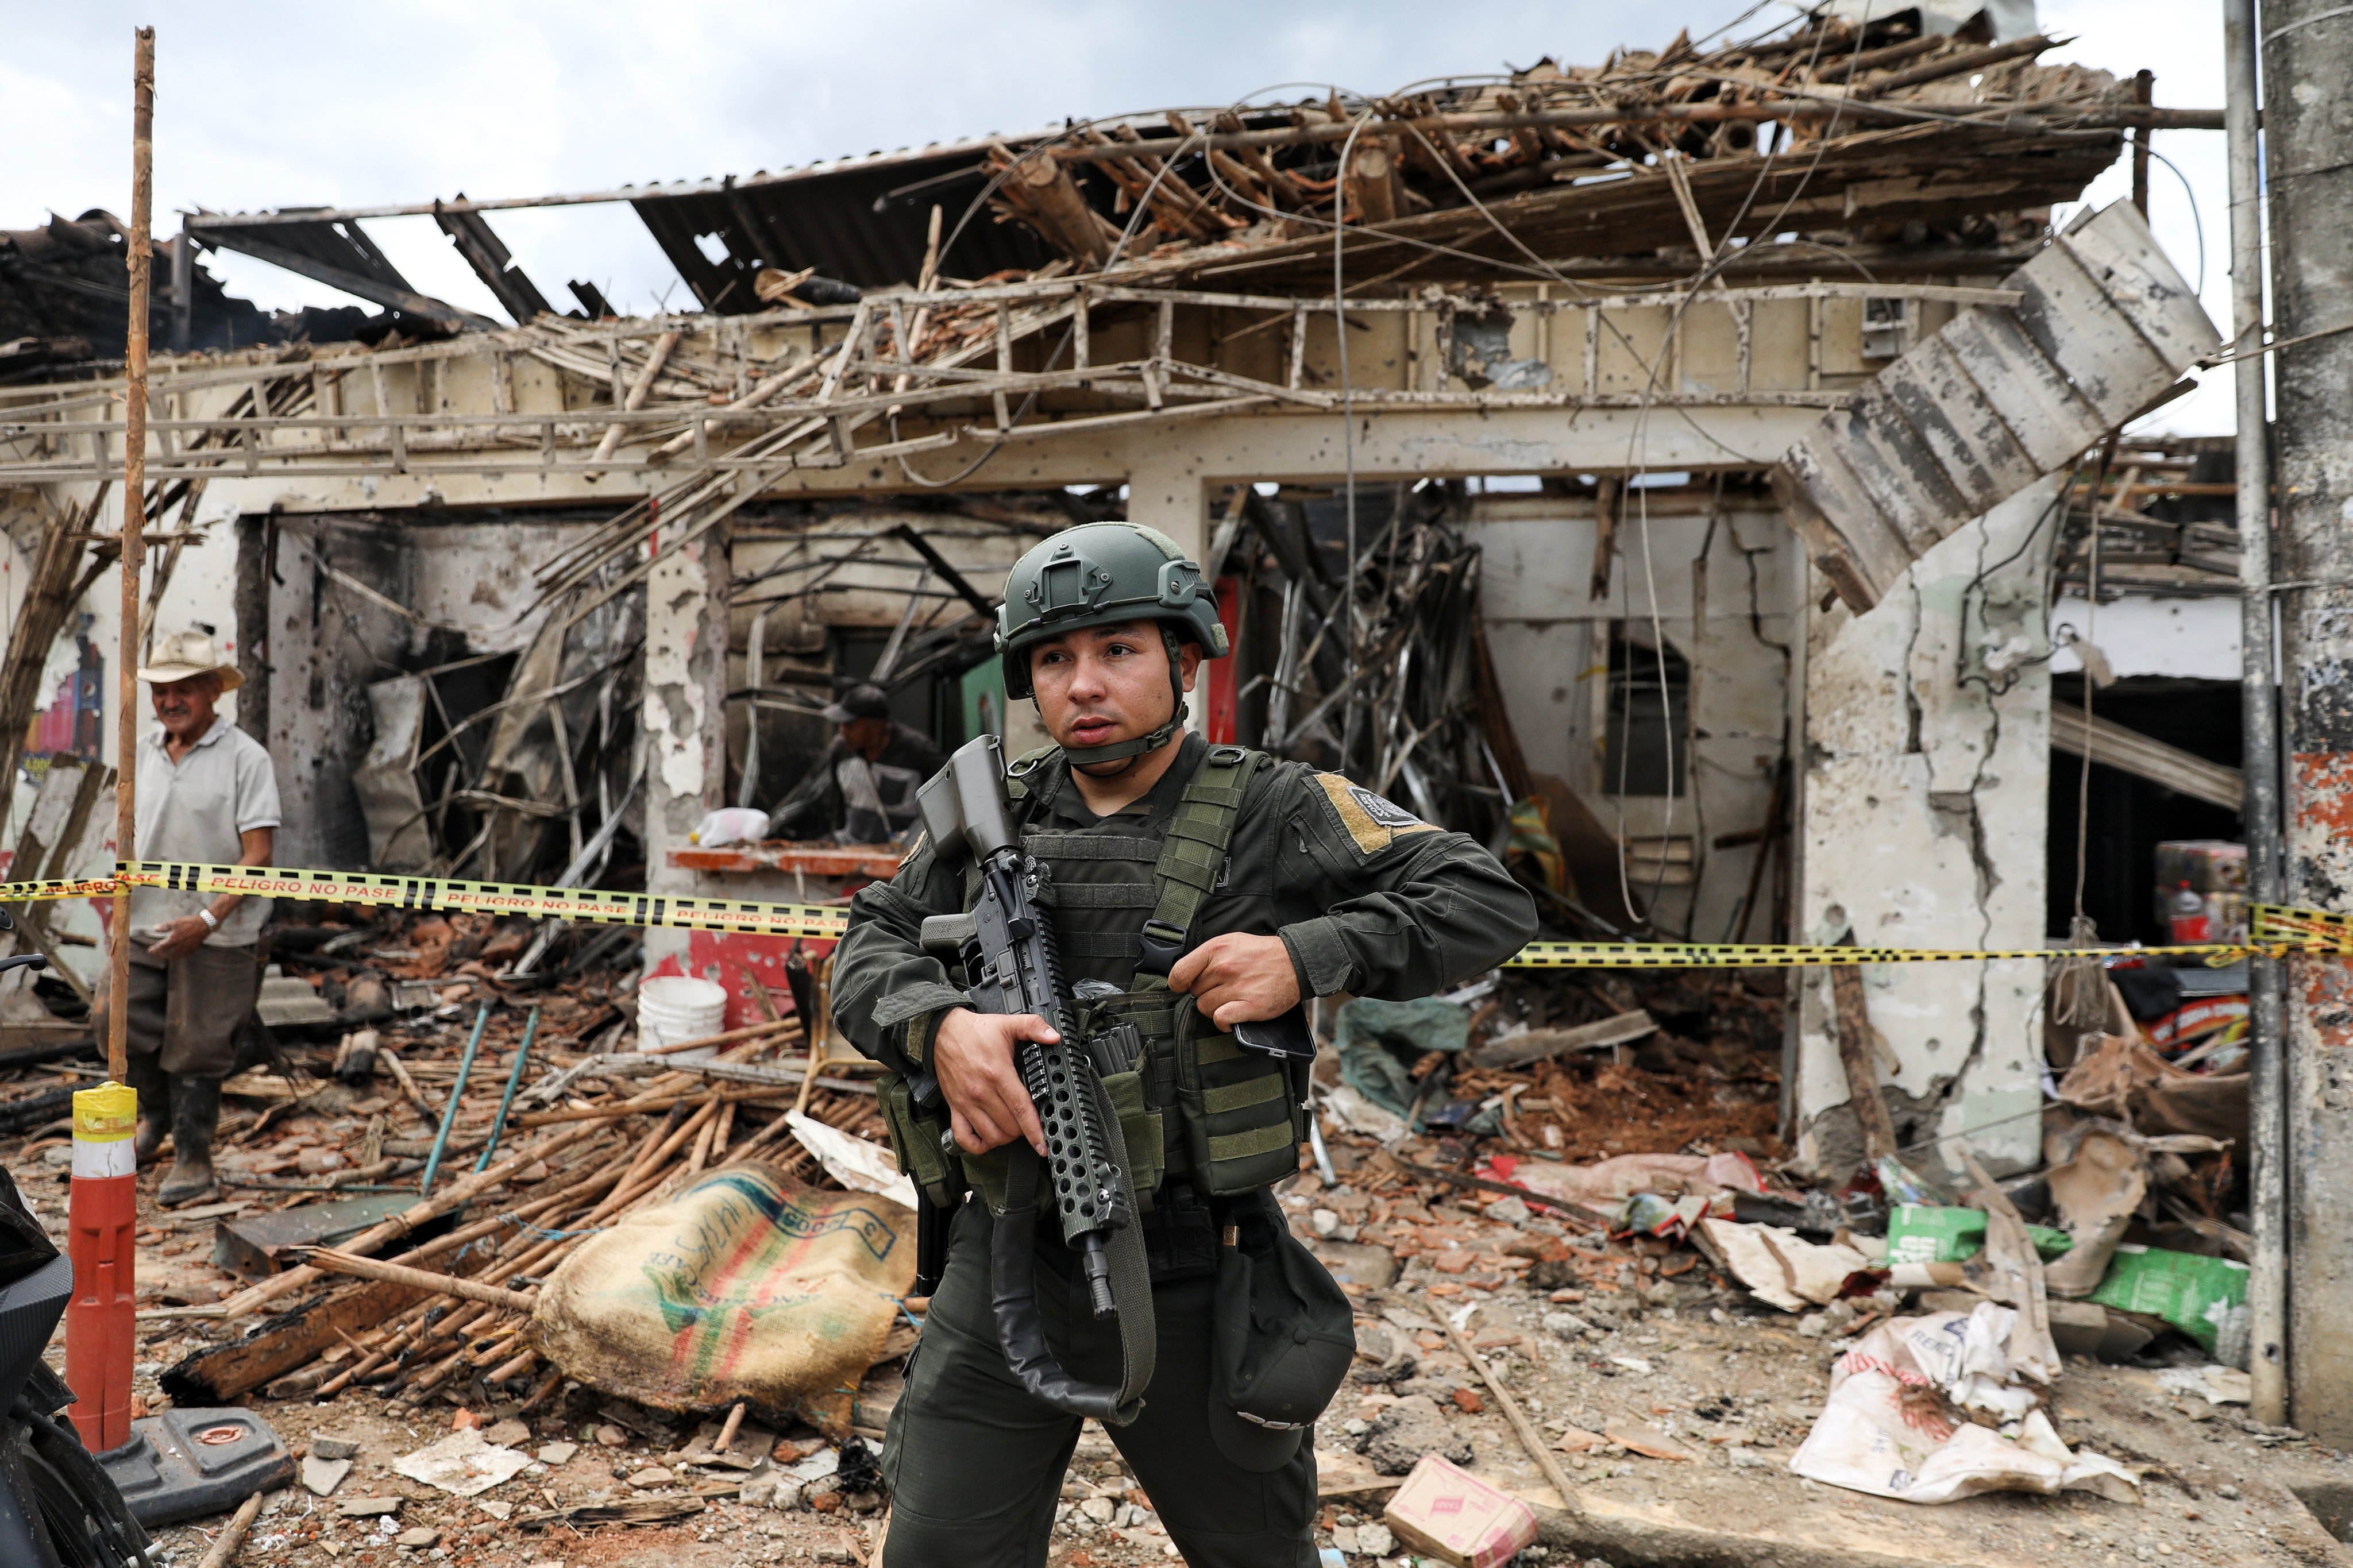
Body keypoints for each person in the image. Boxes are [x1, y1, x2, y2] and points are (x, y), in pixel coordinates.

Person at [831, 523, 1537, 1567]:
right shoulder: (993, 818)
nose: (1084, 684)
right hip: (1003, 1262)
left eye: (1118, 651)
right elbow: (869, 940)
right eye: (1055, 659)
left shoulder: (1273, 804)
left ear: (1185, 658)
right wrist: (938, 1028)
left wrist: (1308, 952)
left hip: (1194, 1274)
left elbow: (1484, 899)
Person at [102, 631, 281, 1206]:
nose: (170, 700)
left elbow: (258, 854)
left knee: (198, 1041)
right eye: (161, 690)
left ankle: (195, 1158)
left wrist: (206, 917)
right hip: (147, 919)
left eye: (185, 689)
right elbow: (126, 839)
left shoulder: (246, 758)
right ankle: (156, 1122)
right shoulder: (141, 749)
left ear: (213, 692)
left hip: (221, 928)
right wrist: (116, 910)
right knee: (116, 1020)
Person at [769, 682, 946, 844]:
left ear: (876, 726)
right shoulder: (841, 750)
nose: (842, 731)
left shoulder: (917, 751)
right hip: (853, 847)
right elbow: (837, 805)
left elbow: (943, 800)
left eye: (850, 725)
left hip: (903, 854)